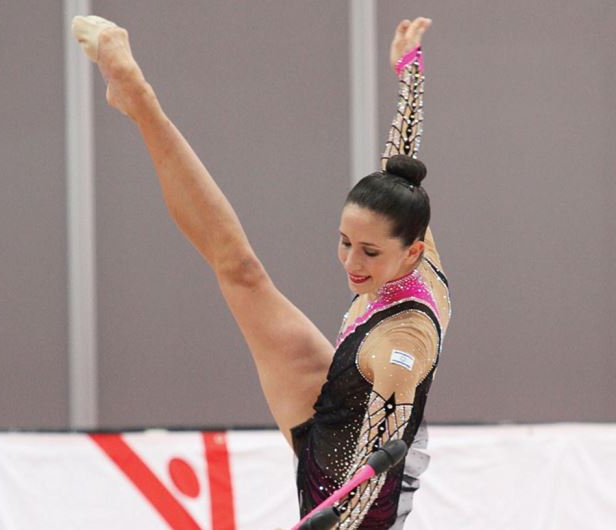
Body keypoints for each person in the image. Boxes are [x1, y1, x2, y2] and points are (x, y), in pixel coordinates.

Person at [72, 14, 449, 529]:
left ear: (410, 252)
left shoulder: (400, 351)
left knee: (243, 277)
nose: (351, 263)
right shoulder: (415, 244)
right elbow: (401, 165)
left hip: (351, 480)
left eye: (368, 252)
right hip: (347, 391)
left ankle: (139, 103)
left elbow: (371, 481)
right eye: (345, 243)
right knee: (242, 271)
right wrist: (410, 70)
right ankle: (138, 98)